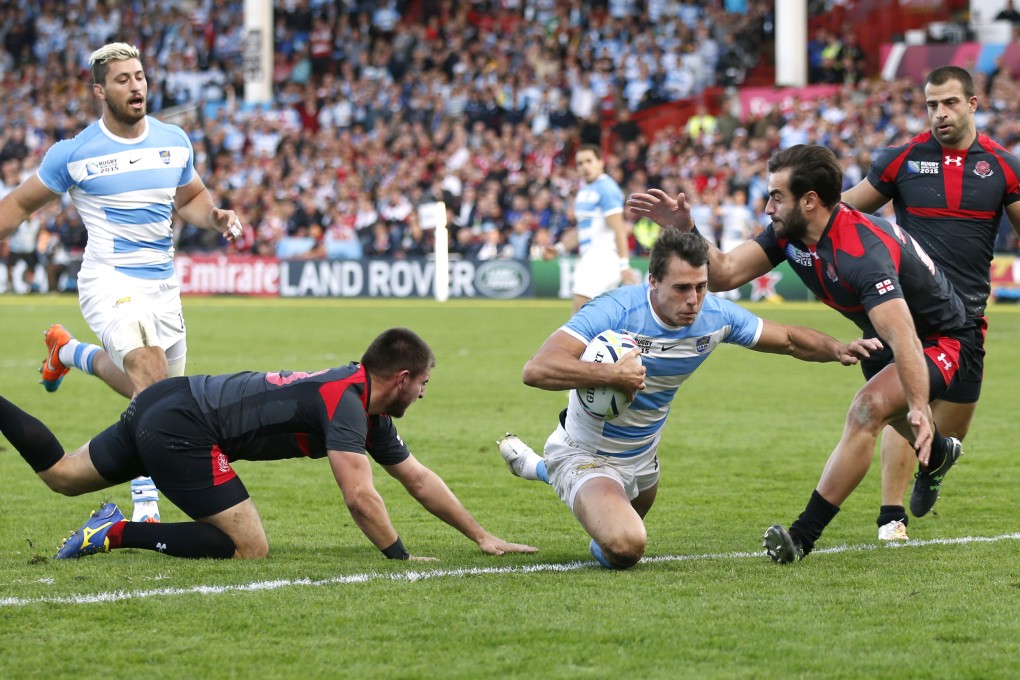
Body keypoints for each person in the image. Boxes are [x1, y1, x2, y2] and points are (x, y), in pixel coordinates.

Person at [626, 144, 980, 563]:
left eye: (776, 195)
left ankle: (801, 537)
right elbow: (724, 274)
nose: (768, 204)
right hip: (881, 336)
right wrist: (686, 229)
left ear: (809, 201)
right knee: (886, 413)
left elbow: (906, 339)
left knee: (867, 410)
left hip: (942, 339)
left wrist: (921, 405)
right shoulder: (788, 233)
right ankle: (938, 454)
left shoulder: (863, 253)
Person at [498, 229, 882, 569]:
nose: (694, 300)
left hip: (643, 458)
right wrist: (612, 375)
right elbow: (536, 369)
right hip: (586, 453)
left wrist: (837, 347)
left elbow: (789, 339)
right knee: (626, 546)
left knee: (623, 527)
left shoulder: (713, 315)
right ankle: (556, 467)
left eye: (700, 286)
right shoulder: (614, 309)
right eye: (681, 288)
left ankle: (541, 468)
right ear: (652, 281)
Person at [1, 327, 537, 562]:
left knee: (62, 476)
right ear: (400, 378)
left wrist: (482, 537)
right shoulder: (345, 404)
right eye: (422, 384)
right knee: (248, 548)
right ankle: (118, 532)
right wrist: (398, 556)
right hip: (185, 426)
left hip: (170, 398)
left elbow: (418, 478)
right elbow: (360, 497)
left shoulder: (364, 406)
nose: (422, 394)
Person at [0, 43, 244, 523]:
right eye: (123, 80)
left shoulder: (174, 139)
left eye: (140, 76)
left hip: (162, 288)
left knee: (157, 392)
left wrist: (215, 217)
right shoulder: (74, 154)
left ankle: (68, 352)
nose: (136, 86)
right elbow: (18, 207)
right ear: (100, 91)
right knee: (151, 379)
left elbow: (190, 196)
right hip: (109, 281)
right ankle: (145, 505)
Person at [841, 65, 1020, 541]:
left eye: (950, 103)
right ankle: (890, 517)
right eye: (931, 105)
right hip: (906, 312)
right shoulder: (901, 161)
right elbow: (843, 213)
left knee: (949, 432)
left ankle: (935, 466)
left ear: (973, 104)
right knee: (906, 405)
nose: (940, 113)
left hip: (968, 321)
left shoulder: (1004, 168)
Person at [549, 144, 640, 313]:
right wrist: (559, 248)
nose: (584, 167)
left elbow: (618, 227)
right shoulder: (585, 190)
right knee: (594, 322)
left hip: (601, 256)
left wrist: (624, 265)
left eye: (589, 161)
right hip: (591, 256)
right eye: (580, 163)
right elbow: (582, 230)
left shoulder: (606, 188)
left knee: (580, 317)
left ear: (600, 162)